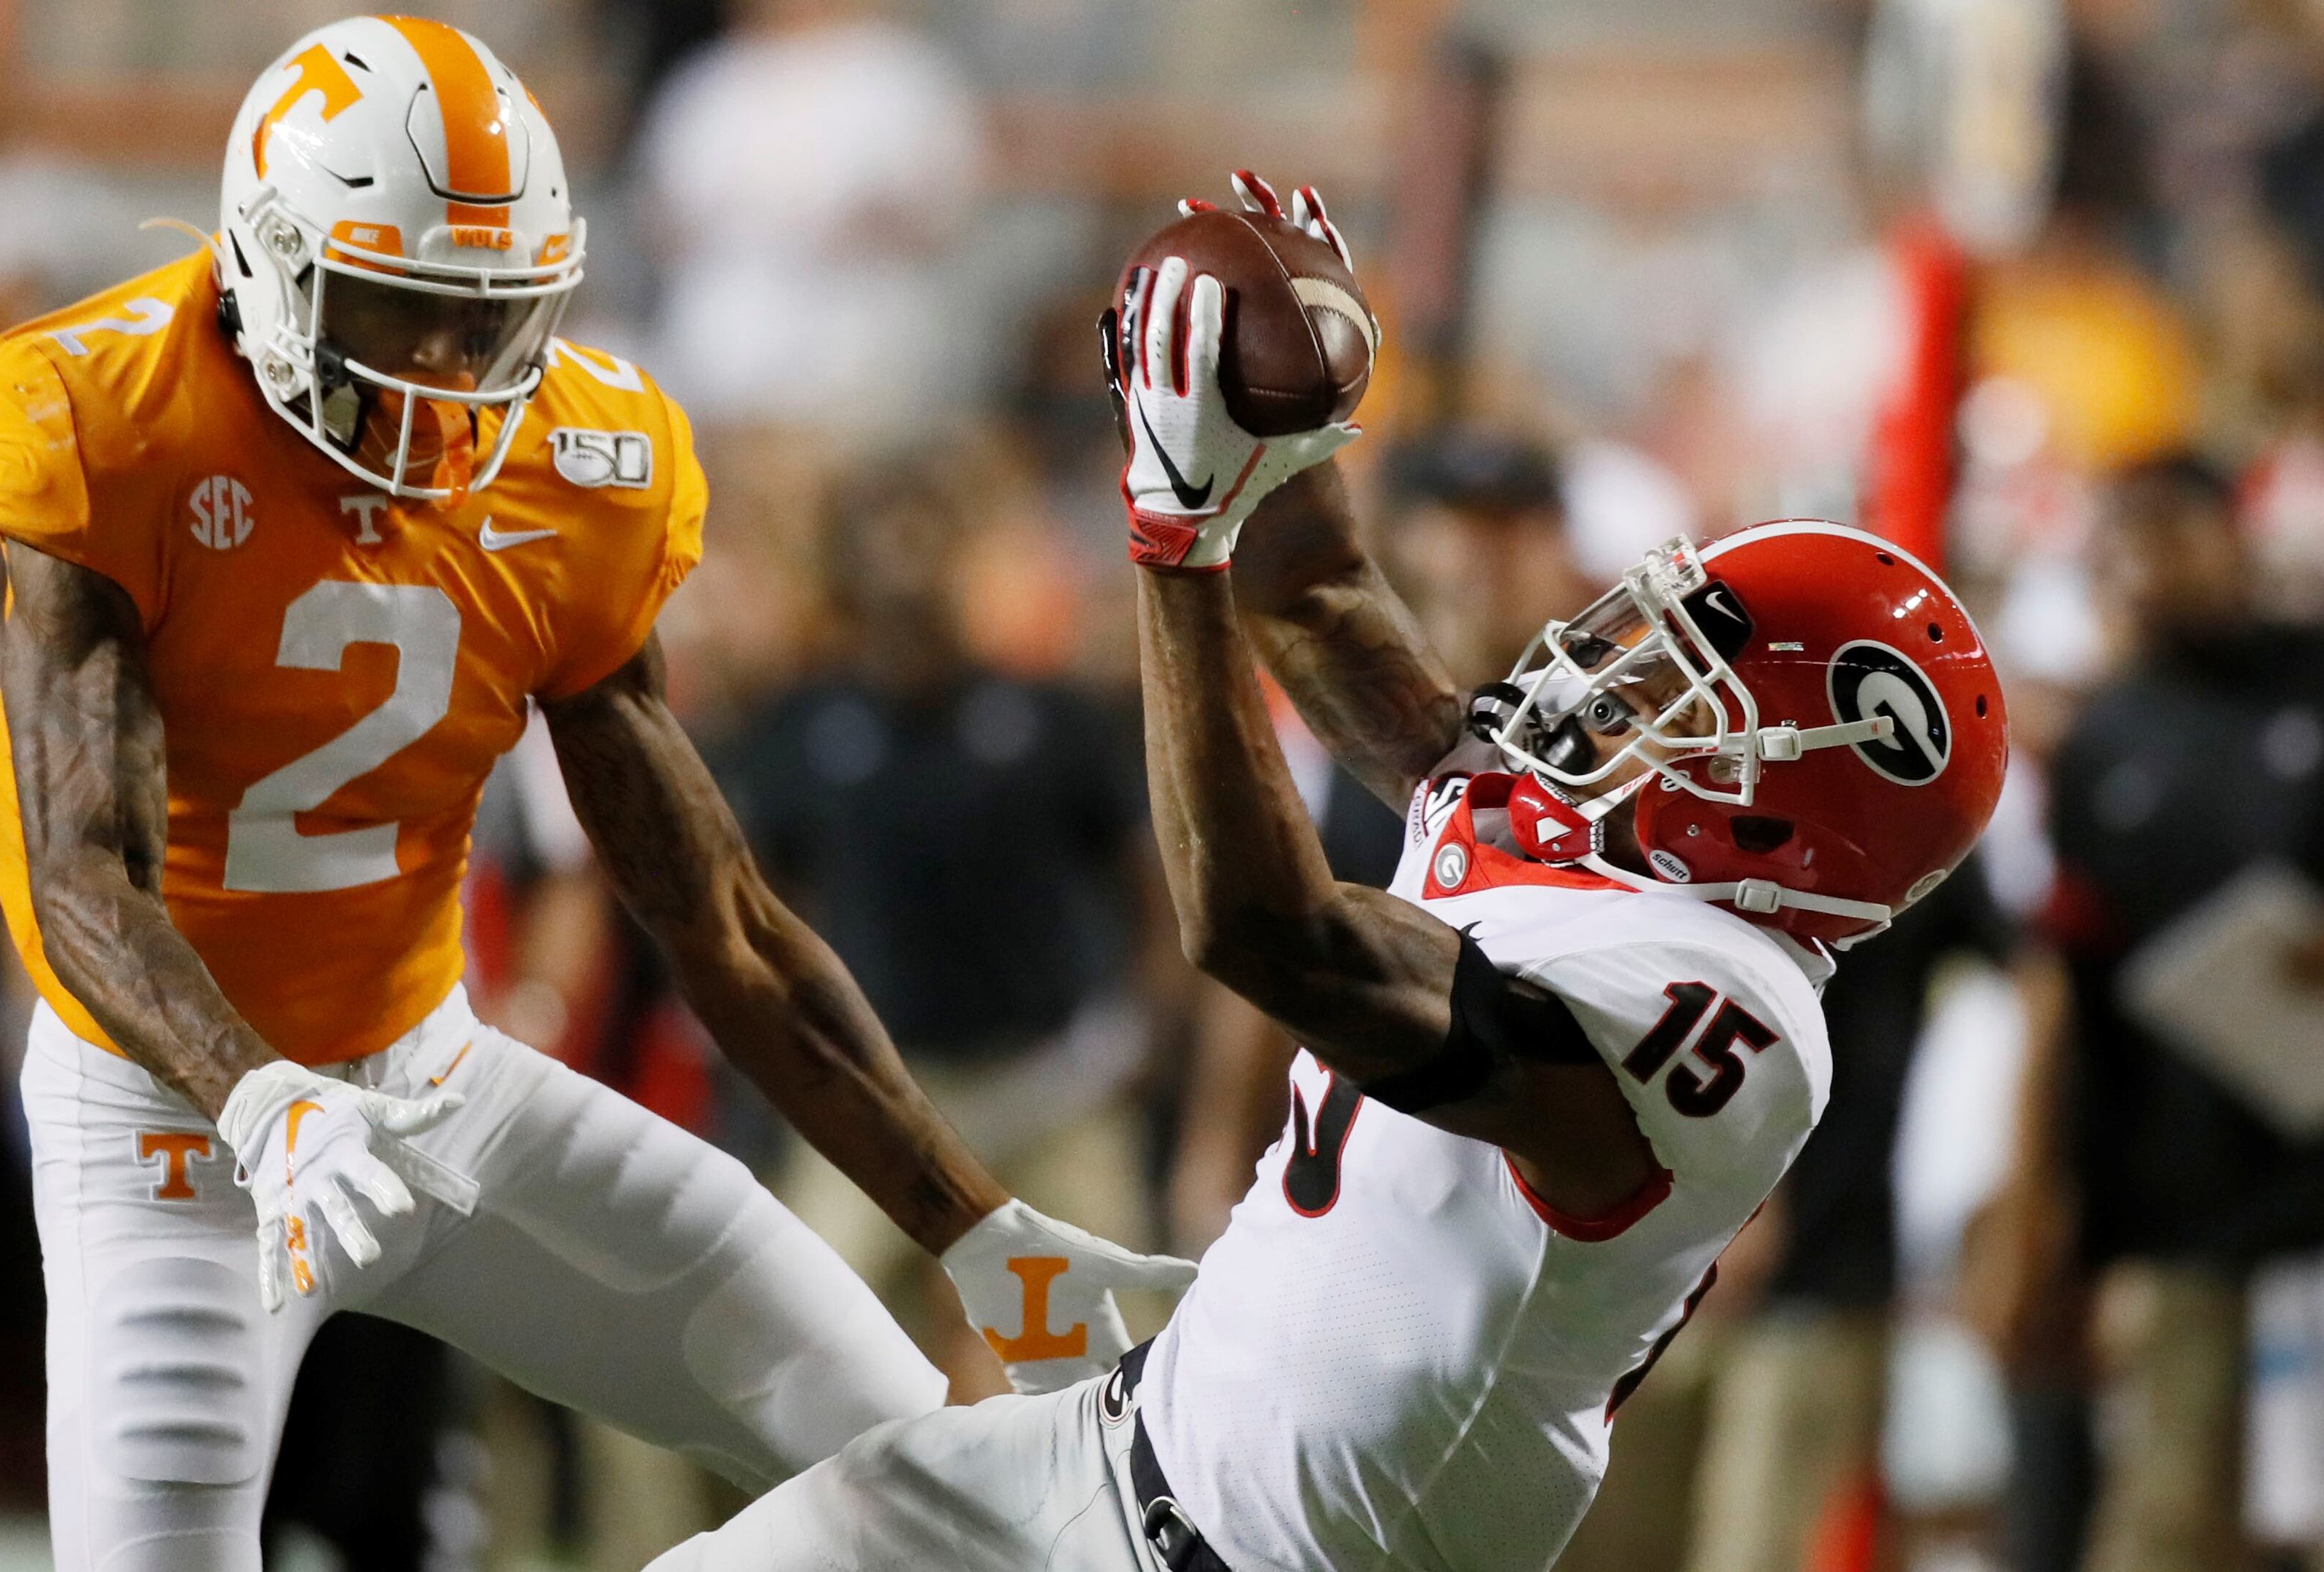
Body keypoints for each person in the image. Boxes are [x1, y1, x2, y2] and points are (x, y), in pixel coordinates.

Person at [0, 20, 1181, 1570]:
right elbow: (80, 876)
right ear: (274, 266)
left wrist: (973, 1226)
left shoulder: (577, 463)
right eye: (407, 309)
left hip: (433, 1077)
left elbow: (720, 919)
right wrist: (261, 1099)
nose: (454, 375)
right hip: (172, 1126)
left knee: (914, 1454)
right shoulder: (108, 413)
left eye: (489, 316)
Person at [647, 172, 2012, 1572]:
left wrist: (1176, 535)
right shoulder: (1582, 836)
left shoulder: (1725, 1010)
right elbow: (1316, 595)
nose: (1608, 677)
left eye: (1677, 690)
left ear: (1789, 808)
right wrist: (1276, 402)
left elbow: (1268, 934)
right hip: (1110, 1449)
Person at [733, 457, 1164, 1392]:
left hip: (1046, 1081)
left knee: (1123, 1348)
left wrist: (1131, 1027)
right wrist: (799, 1049)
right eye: (886, 542)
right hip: (883, 1093)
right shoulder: (800, 727)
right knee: (801, 1327)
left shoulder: (1052, 718)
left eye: (928, 538)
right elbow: (752, 908)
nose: (908, 567)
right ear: (845, 570)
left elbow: (1153, 888)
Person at [1972, 453, 2324, 1572]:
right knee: (2165, 1517)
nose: (2147, 561)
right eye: (2123, 537)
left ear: (2233, 531)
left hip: (2316, 1183)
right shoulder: (2106, 740)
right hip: (2178, 1195)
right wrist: (2046, 1211)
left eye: (2170, 529)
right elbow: (2064, 994)